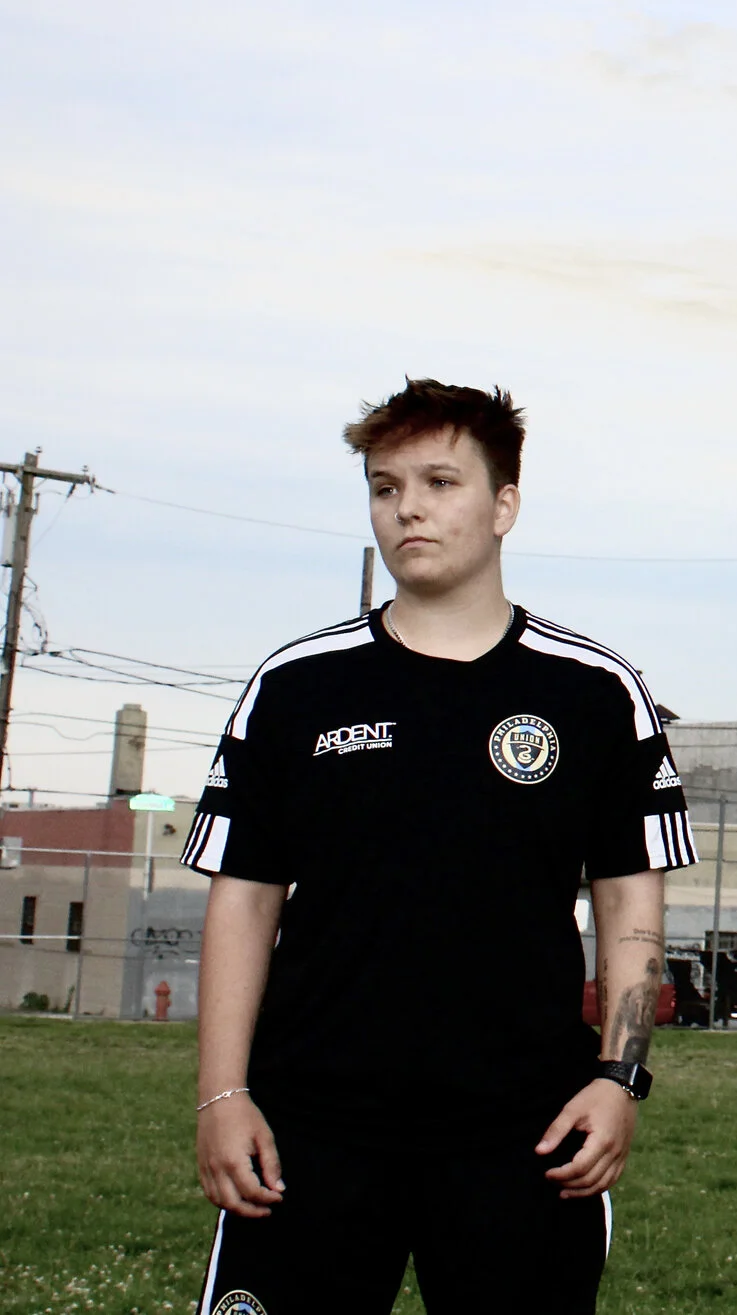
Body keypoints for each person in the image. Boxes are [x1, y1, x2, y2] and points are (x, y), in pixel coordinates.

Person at [184, 380, 698, 1314]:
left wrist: (620, 1077)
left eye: (439, 481)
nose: (407, 507)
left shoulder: (595, 693)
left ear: (504, 505)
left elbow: (630, 903)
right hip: (309, 1131)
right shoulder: (297, 686)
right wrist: (223, 1094)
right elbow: (244, 896)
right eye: (385, 487)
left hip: (526, 1133)